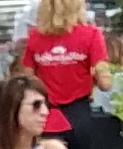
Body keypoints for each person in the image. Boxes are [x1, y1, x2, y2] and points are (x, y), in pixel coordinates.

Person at [18, 0, 109, 135]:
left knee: (46, 148)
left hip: (45, 111)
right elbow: (105, 83)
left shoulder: (35, 36)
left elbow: (27, 78)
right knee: (80, 148)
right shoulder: (91, 34)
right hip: (79, 111)